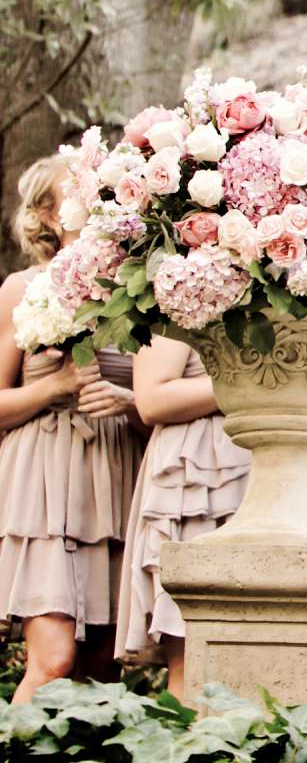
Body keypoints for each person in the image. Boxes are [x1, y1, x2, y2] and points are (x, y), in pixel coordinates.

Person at [0, 156, 141, 701]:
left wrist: (128, 403)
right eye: (77, 192)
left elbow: (155, 393)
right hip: (44, 475)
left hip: (116, 468)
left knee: (105, 666)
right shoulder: (23, 288)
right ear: (47, 215)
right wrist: (51, 389)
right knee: (54, 658)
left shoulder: (139, 291)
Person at [115, 336, 250, 701]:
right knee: (194, 659)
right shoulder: (179, 287)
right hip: (197, 473)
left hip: (262, 464)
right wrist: (262, 381)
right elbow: (153, 398)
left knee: (255, 659)